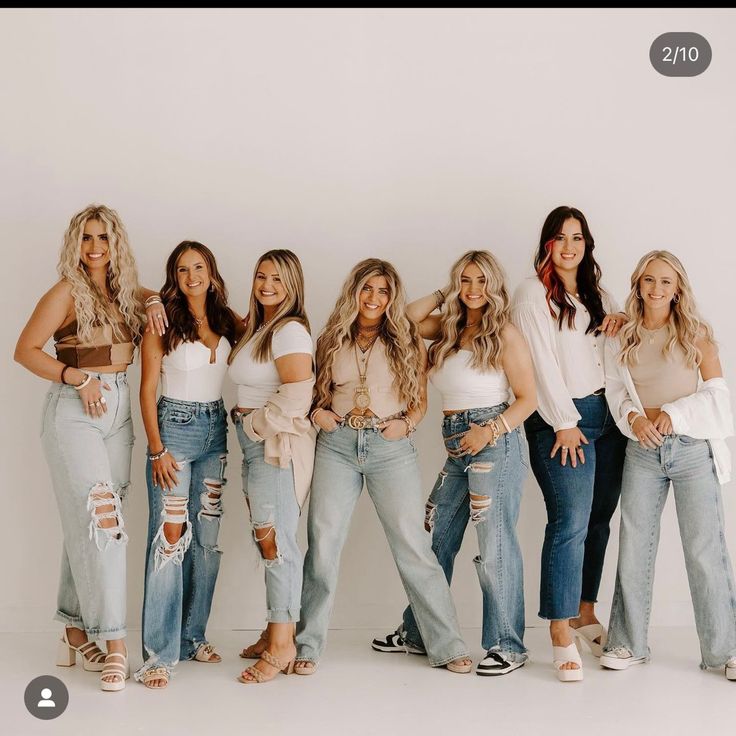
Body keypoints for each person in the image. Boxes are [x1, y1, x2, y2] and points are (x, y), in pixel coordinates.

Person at [294, 258, 472, 676]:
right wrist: (318, 414)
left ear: (392, 297)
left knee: (413, 545)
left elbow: (420, 400)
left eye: (384, 291)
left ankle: (447, 645)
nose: (374, 298)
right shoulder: (329, 338)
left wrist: (406, 424)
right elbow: (317, 393)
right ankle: (307, 645)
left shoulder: (406, 336)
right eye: (367, 289)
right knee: (322, 544)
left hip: (389, 446)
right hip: (336, 445)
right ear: (353, 291)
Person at [14, 204, 166, 692]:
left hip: (118, 411)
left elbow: (146, 296)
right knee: (104, 519)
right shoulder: (64, 293)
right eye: (86, 239)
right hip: (76, 408)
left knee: (95, 520)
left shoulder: (123, 291)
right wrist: (75, 376)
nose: (95, 247)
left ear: (115, 242)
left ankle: (75, 630)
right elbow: (24, 350)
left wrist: (157, 299)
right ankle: (114, 642)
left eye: (103, 238)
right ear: (74, 244)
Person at [371, 250, 536, 676]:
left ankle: (508, 645)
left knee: (494, 544)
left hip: (494, 441)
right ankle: (419, 631)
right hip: (457, 446)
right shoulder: (448, 329)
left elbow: (528, 400)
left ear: (495, 285)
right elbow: (406, 317)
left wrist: (490, 430)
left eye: (481, 281)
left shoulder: (506, 335)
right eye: (466, 280)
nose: (473, 289)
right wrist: (447, 292)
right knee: (435, 539)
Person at [601, 250, 736, 680]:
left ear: (678, 288)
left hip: (692, 451)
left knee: (704, 550)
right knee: (635, 546)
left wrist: (674, 414)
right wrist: (634, 419)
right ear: (638, 285)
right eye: (648, 280)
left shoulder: (697, 335)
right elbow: (614, 391)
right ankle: (627, 643)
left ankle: (725, 651)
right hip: (642, 451)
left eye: (665, 281)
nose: (656, 289)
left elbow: (720, 398)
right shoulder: (622, 334)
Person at [511, 205, 627, 681]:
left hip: (608, 419)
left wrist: (621, 322)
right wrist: (562, 421)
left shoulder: (598, 293)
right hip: (562, 420)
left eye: (577, 237)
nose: (570, 246)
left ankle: (583, 611)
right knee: (570, 522)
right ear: (546, 244)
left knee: (598, 521)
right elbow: (539, 362)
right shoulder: (531, 294)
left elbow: (616, 349)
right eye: (560, 237)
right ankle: (559, 629)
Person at [135, 241, 240, 689]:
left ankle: (192, 636)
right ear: (173, 277)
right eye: (182, 270)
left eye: (199, 267)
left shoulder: (227, 320)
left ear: (212, 271)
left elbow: (267, 329)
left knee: (207, 540)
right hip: (173, 431)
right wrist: (156, 449)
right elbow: (146, 389)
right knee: (169, 539)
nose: (192, 276)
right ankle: (157, 654)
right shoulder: (162, 321)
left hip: (216, 430)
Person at [227, 250, 316, 684]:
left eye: (278, 280)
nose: (266, 286)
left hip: (275, 447)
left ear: (293, 286)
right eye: (261, 276)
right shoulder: (260, 327)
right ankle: (273, 629)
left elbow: (299, 393)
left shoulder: (290, 330)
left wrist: (253, 425)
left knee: (276, 542)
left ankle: (283, 645)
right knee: (267, 536)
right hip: (257, 444)